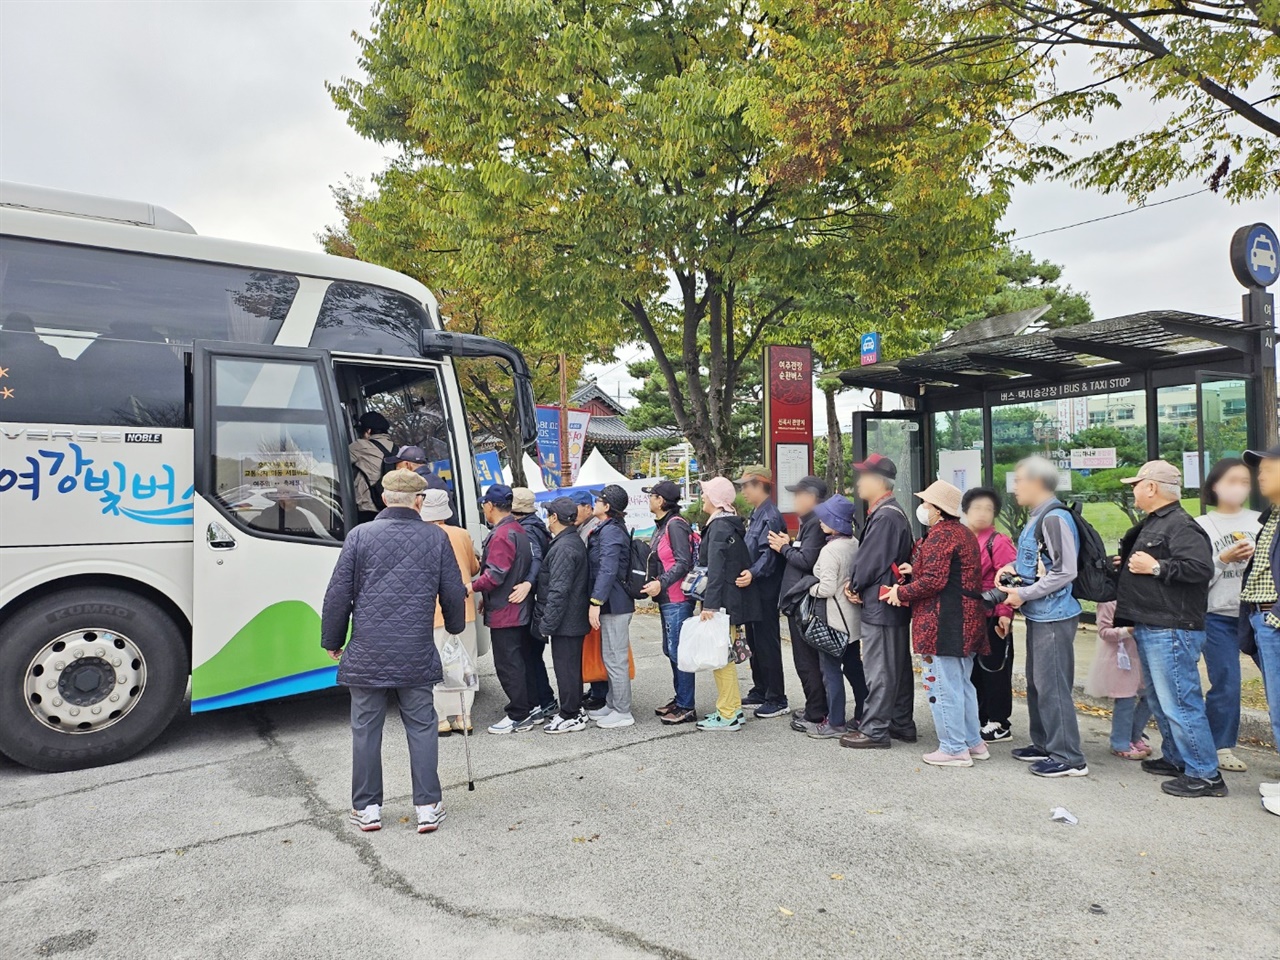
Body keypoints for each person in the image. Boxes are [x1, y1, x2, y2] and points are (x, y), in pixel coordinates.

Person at [320, 469, 466, 834]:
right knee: (421, 726)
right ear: (419, 502)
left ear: (384, 499)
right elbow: (451, 591)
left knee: (366, 728)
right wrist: (454, 627)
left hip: (367, 652)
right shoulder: (435, 538)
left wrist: (333, 640)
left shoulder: (360, 536)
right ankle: (428, 807)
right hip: (415, 650)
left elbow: (339, 593)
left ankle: (367, 809)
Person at [1114, 460, 1220, 798]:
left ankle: (1206, 775)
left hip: (1172, 627)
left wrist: (1156, 566)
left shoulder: (1181, 525)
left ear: (1151, 487)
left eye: (1136, 484)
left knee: (1179, 702)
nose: (1132, 490)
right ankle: (1178, 759)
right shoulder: (1158, 522)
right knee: (1162, 701)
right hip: (1154, 623)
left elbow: (1200, 569)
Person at [885, 480, 987, 767]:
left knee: (941, 684)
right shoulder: (962, 533)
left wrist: (899, 592)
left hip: (945, 621)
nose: (922, 508)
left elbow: (933, 581)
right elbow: (946, 572)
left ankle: (953, 747)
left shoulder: (941, 537)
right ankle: (972, 741)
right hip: (966, 619)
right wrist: (915, 568)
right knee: (962, 684)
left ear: (939, 510)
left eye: (926, 504)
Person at [1000, 456, 1088, 778]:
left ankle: (1069, 756)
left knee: (1053, 685)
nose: (1015, 487)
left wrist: (1022, 593)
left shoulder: (1054, 518)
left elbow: (1066, 571)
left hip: (1055, 615)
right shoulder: (1037, 516)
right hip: (1040, 614)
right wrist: (1014, 570)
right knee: (1038, 683)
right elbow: (1039, 561)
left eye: (1020, 480)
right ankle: (1045, 744)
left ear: (1038, 483)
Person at [841, 454, 916, 750]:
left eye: (863, 476)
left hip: (881, 602)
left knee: (880, 667)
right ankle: (900, 722)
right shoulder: (890, 512)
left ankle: (875, 729)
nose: (859, 482)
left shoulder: (885, 515)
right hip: (889, 600)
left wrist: (854, 584)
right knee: (895, 665)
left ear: (877, 480)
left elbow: (870, 561)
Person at [1194, 458, 1261, 774]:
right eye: (1232, 480)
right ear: (1214, 485)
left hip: (1257, 614)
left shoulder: (1260, 522)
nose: (1239, 488)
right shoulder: (1202, 526)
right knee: (1227, 682)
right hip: (1217, 615)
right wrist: (1222, 559)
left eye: (1245, 481)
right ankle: (1220, 746)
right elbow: (1195, 579)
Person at [771, 476, 845, 734]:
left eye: (798, 494)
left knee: (807, 661)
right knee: (807, 660)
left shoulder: (816, 523)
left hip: (806, 604)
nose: (794, 500)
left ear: (811, 497)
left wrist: (783, 548)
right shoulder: (811, 523)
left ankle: (816, 712)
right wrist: (790, 544)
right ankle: (815, 706)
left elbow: (807, 560)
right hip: (801, 601)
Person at [695, 476, 761, 731]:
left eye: (705, 492)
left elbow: (716, 571)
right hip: (730, 602)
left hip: (722, 604)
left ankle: (729, 713)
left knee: (721, 659)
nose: (702, 496)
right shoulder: (726, 525)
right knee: (724, 657)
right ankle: (731, 709)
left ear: (716, 498)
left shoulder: (720, 528)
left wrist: (709, 607)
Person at [471, 484, 537, 735]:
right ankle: (526, 708)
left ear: (489, 506)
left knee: (508, 664)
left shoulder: (500, 535)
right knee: (517, 661)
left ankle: (519, 714)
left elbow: (495, 575)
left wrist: (470, 586)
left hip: (505, 611)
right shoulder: (517, 529)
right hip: (513, 608)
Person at [1240, 443, 1280, 818]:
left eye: (1269, 467)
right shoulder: (1272, 516)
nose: (1261, 474)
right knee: (1276, 705)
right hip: (1262, 620)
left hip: (1275, 620)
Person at [421, 488, 480, 736]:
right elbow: (474, 567)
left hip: (432, 611)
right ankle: (463, 716)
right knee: (465, 664)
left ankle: (442, 719)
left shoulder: (421, 535)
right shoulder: (462, 534)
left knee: (438, 664)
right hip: (464, 609)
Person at [961, 487, 1018, 742]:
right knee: (975, 670)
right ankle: (981, 718)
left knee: (994, 669)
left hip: (994, 615)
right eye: (977, 508)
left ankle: (999, 721)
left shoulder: (999, 541)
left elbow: (1011, 581)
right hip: (971, 615)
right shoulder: (964, 538)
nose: (982, 513)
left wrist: (1006, 613)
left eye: (988, 509)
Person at [804, 494, 862, 740]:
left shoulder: (830, 551)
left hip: (832, 622)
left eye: (825, 518)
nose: (820, 522)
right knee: (853, 667)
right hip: (852, 621)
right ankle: (862, 714)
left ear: (835, 522)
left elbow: (826, 588)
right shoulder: (854, 543)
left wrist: (809, 587)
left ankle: (835, 721)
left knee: (831, 671)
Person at [642, 479, 699, 725]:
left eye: (652, 495)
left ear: (661, 501)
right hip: (668, 598)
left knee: (678, 651)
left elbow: (682, 562)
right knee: (671, 649)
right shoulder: (662, 525)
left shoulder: (675, 525)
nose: (649, 499)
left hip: (677, 598)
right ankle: (680, 698)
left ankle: (686, 705)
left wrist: (661, 582)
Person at [534, 496, 592, 734]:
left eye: (549, 514)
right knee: (569, 668)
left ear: (554, 518)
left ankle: (571, 714)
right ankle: (573, 709)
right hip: (571, 619)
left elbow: (559, 590)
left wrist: (547, 624)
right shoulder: (570, 541)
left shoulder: (564, 547)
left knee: (566, 669)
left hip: (567, 621)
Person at [735, 465, 789, 719]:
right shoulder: (757, 513)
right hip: (755, 589)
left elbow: (770, 555)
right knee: (755, 640)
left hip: (765, 589)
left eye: (746, 486)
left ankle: (777, 696)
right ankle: (761, 688)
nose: (743, 491)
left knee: (767, 641)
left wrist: (753, 573)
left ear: (759, 485)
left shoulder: (770, 516)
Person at [587, 484, 636, 729]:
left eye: (599, 501)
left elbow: (607, 569)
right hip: (612, 602)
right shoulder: (607, 529)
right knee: (610, 656)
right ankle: (612, 703)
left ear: (607, 507)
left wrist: (595, 602)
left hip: (615, 603)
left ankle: (623, 710)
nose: (594, 503)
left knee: (616, 658)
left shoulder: (611, 532)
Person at [511, 487, 558, 724]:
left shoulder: (527, 530)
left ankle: (544, 702)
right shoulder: (538, 525)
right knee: (532, 653)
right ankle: (543, 700)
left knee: (530, 654)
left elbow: (536, 558)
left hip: (533, 599)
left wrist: (528, 582)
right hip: (539, 598)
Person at [1085, 600, 1152, 760]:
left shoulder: (1141, 596)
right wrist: (1128, 631)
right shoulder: (1109, 602)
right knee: (1125, 698)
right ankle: (1120, 743)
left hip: (1141, 655)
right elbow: (1104, 632)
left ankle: (1134, 736)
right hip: (1120, 658)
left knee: (1150, 695)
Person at [572, 489, 608, 711]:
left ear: (587, 507)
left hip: (595, 596)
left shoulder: (593, 529)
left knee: (600, 646)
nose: (573, 514)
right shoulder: (582, 528)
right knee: (593, 645)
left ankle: (601, 692)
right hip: (590, 595)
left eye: (577, 509)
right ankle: (597, 690)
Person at [349, 411, 394, 524]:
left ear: (368, 431)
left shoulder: (360, 446)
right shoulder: (396, 448)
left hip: (369, 509)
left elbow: (336, 461)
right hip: (391, 508)